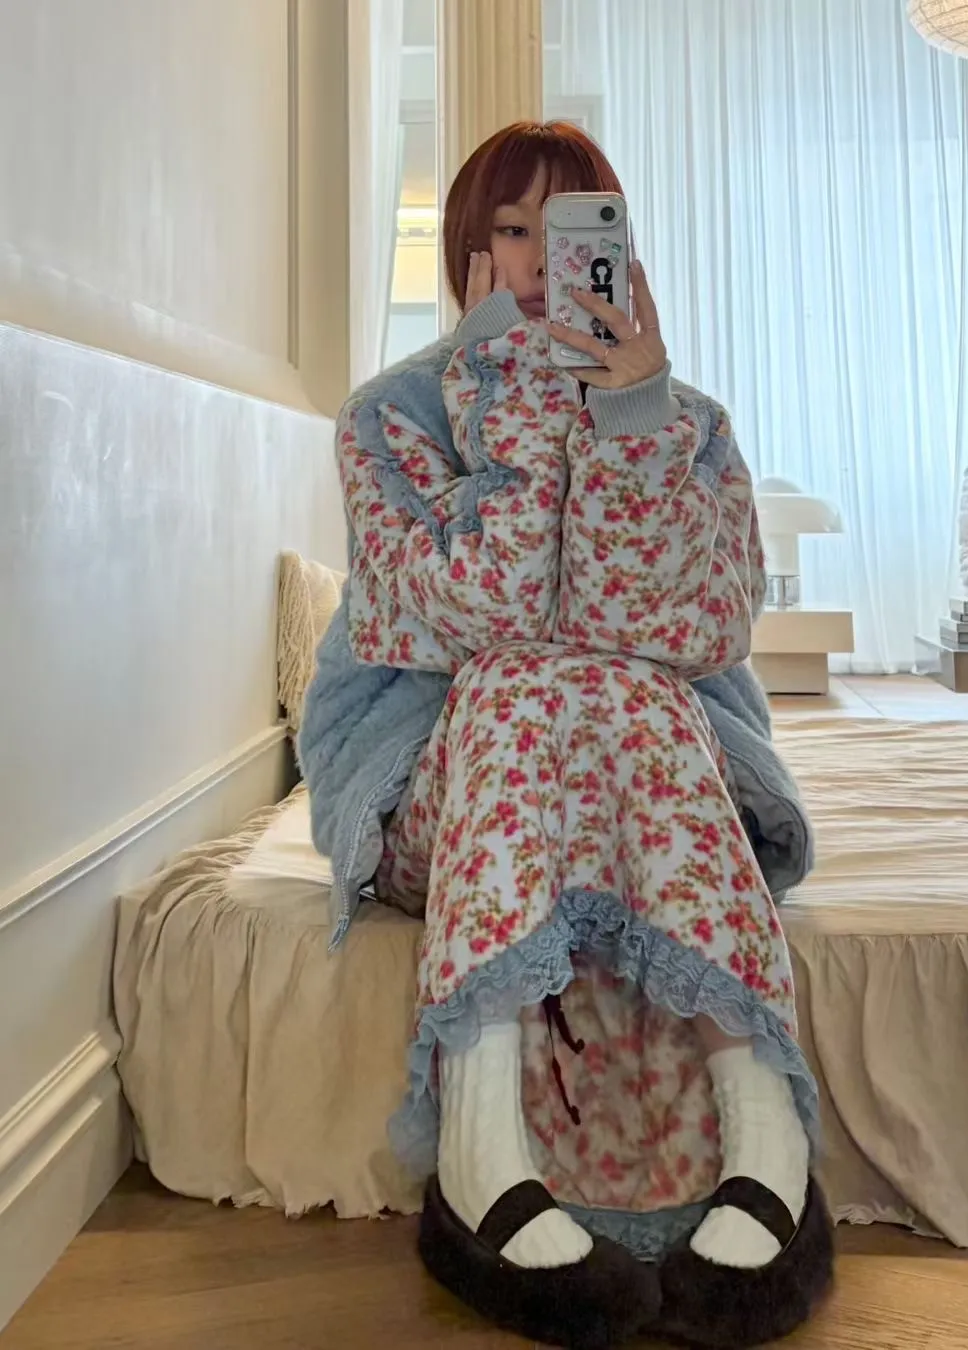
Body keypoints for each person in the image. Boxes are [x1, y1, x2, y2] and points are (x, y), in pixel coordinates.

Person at [299, 121, 832, 1350]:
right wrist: (520, 400)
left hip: (646, 780)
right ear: (468, 253)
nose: (544, 260)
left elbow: (679, 631)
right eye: (513, 229)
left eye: (574, 227)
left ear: (621, 249)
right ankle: (481, 1142)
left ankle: (764, 1133)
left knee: (621, 677)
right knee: (517, 675)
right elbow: (472, 618)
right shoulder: (389, 419)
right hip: (445, 795)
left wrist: (627, 413)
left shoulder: (686, 421)